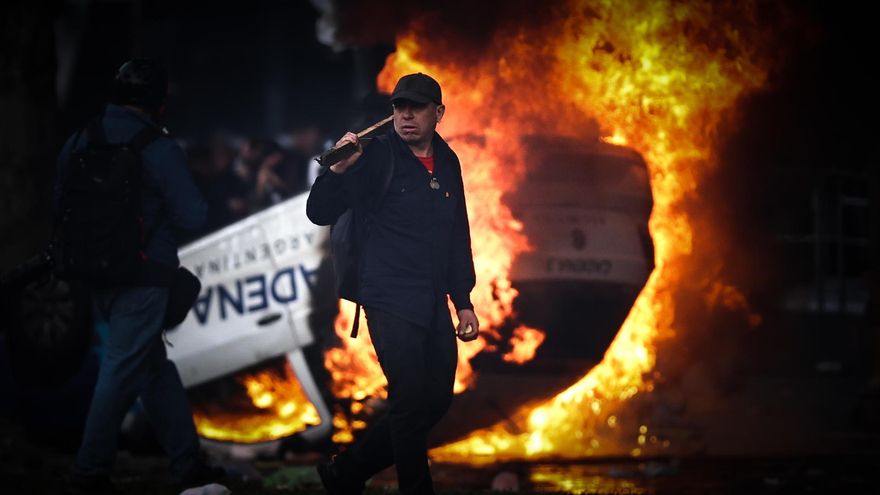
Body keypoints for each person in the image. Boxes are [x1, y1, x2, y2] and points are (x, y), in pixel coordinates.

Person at [54, 59, 224, 494]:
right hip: (144, 277)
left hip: (92, 275)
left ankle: (189, 464)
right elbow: (192, 214)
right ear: (159, 101)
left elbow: (60, 206)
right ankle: (89, 471)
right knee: (121, 369)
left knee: (152, 369)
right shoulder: (157, 146)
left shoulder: (79, 139)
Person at [307, 72, 480, 494]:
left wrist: (464, 301)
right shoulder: (377, 156)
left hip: (432, 300)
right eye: (399, 107)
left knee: (436, 400)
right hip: (387, 298)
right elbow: (319, 211)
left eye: (416, 107)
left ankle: (346, 473)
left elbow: (457, 233)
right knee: (407, 399)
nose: (406, 114)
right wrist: (339, 171)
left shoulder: (449, 161)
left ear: (437, 114)